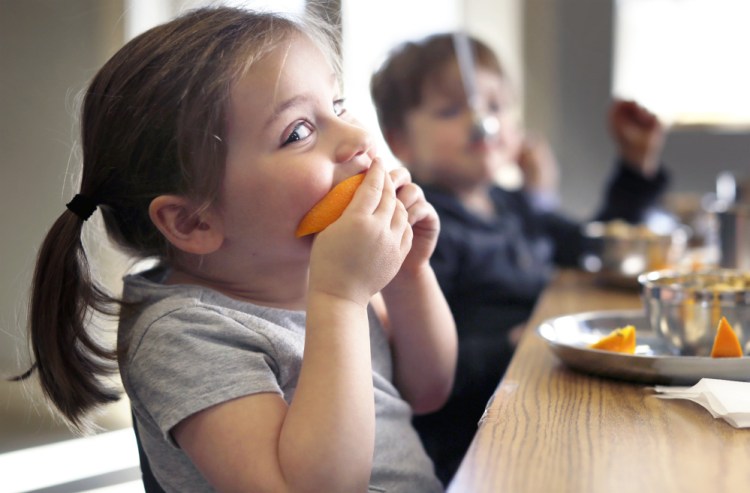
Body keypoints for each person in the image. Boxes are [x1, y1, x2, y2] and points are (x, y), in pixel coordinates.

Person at [17, 7, 458, 492]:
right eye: (298, 132)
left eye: (337, 104)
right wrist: (341, 299)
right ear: (194, 221)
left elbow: (427, 390)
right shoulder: (185, 335)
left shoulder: (319, 268)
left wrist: (408, 274)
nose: (356, 138)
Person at [370, 32, 668, 484]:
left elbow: (597, 247)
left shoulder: (513, 205)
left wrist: (635, 167)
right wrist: (512, 344)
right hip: (481, 444)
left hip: (547, 399)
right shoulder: (424, 231)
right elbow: (421, 373)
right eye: (452, 110)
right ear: (401, 142)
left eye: (495, 107)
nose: (481, 120)